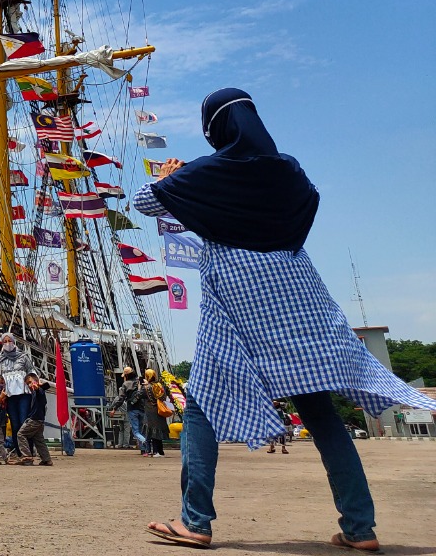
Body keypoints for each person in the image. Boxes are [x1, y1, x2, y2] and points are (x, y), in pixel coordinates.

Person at [135, 88, 436, 551]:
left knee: (201, 404)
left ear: (214, 127)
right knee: (319, 411)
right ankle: (360, 528)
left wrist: (171, 175)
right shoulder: (289, 169)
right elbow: (310, 202)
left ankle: (195, 521)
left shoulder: (207, 170)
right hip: (298, 292)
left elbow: (145, 202)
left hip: (237, 294)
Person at [0, 335, 36, 458]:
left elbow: (31, 372)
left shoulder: (23, 356)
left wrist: (33, 383)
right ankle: (20, 454)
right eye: (5, 341)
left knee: (24, 423)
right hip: (9, 396)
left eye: (10, 341)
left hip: (23, 395)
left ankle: (29, 451)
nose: (7, 343)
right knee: (15, 424)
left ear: (14, 342)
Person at [11, 372, 52, 465]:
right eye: (27, 384)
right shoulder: (36, 392)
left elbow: (41, 389)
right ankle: (47, 459)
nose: (29, 385)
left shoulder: (39, 391)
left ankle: (27, 456)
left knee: (20, 434)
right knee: (39, 439)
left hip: (34, 420)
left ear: (36, 381)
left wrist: (37, 387)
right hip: (40, 420)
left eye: (30, 382)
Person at [109, 366, 149, 455]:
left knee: (136, 431)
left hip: (132, 409)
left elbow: (121, 398)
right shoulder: (141, 382)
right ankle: (144, 450)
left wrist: (114, 408)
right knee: (141, 430)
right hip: (142, 408)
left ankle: (145, 442)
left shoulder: (126, 384)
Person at [140, 368, 170, 458]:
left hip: (150, 410)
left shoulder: (147, 387)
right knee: (158, 430)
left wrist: (141, 386)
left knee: (152, 431)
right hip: (160, 409)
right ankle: (160, 451)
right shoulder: (160, 386)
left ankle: (155, 451)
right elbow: (164, 396)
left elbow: (139, 395)